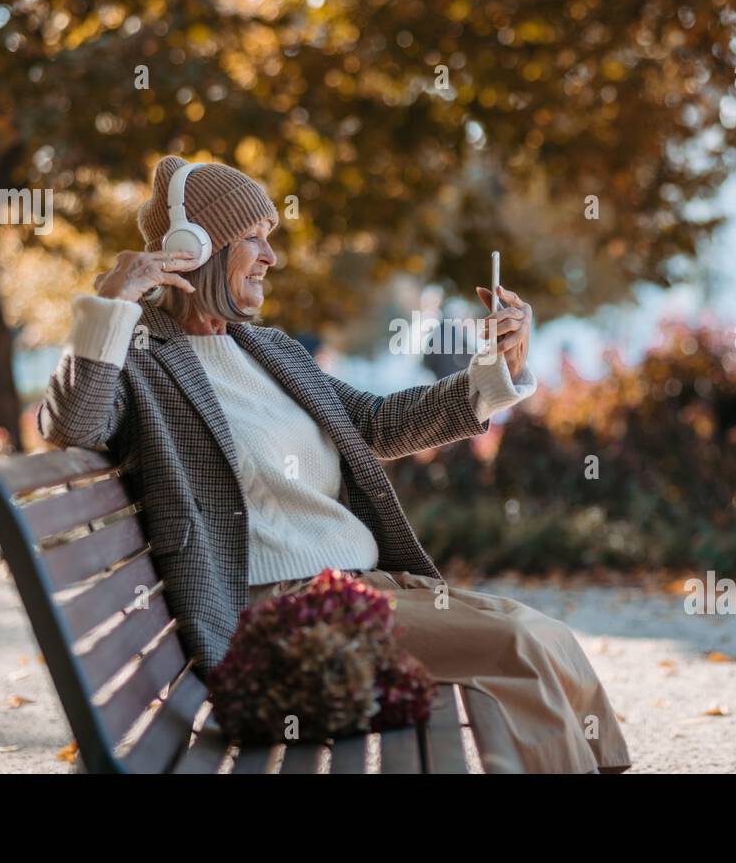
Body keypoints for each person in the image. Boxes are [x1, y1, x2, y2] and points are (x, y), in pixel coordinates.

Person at [39, 155, 632, 773]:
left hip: (357, 591)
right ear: (194, 249)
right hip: (283, 616)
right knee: (517, 646)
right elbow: (72, 426)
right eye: (254, 239)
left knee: (546, 637)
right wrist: (111, 305)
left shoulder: (268, 348)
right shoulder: (141, 357)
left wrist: (496, 373)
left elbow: (375, 425)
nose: (272, 256)